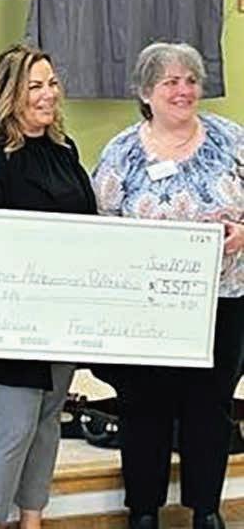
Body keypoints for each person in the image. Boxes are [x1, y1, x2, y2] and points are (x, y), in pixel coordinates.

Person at [91, 42, 244, 529]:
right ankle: (143, 509)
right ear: (145, 93)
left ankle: (206, 509)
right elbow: (100, 228)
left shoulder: (232, 141)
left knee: (211, 406)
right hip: (146, 309)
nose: (183, 91)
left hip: (222, 302)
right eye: (170, 82)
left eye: (191, 81)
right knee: (143, 407)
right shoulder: (122, 153)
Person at [0, 44, 97, 529]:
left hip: (61, 314)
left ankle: (33, 519)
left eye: (52, 83)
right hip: (11, 320)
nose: (48, 94)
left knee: (46, 423)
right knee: (15, 427)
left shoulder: (65, 150)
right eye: (34, 86)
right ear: (8, 94)